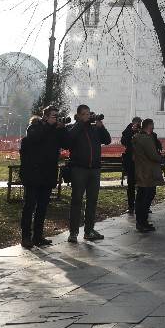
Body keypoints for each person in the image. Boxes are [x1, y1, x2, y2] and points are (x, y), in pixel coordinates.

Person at [59, 104, 112, 243]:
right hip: (79, 169)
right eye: (84, 114)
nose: (88, 116)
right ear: (79, 115)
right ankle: (73, 232)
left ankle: (89, 230)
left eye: (89, 113)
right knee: (76, 200)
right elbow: (68, 142)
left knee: (92, 201)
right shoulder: (74, 128)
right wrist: (80, 124)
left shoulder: (95, 129)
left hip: (94, 169)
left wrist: (101, 126)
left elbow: (107, 140)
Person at [18, 106, 64, 248]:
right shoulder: (34, 127)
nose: (56, 118)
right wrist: (49, 126)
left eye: (57, 116)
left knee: (42, 208)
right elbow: (35, 138)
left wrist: (62, 129)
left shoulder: (54, 131)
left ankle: (38, 236)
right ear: (45, 117)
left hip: (47, 175)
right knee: (29, 206)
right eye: (53, 116)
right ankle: (26, 237)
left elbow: (66, 143)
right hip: (33, 175)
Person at [133, 118, 163, 232]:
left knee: (141, 196)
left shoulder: (137, 137)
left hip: (141, 170)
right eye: (153, 125)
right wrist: (160, 158)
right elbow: (153, 155)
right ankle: (142, 222)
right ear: (149, 126)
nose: (153, 127)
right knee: (147, 196)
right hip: (148, 171)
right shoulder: (146, 139)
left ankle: (141, 221)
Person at [120, 116, 142, 214]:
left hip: (141, 162)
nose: (138, 125)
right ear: (133, 123)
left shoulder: (142, 131)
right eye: (136, 123)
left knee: (142, 185)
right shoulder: (127, 130)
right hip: (131, 162)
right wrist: (131, 130)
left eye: (139, 123)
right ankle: (131, 206)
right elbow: (124, 141)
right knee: (131, 185)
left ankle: (141, 205)